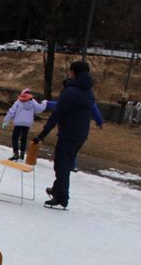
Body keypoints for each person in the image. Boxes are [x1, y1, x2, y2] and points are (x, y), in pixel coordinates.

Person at [32, 61, 97, 209]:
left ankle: (61, 197)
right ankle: (58, 189)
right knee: (66, 163)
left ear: (74, 73)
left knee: (62, 164)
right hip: (81, 134)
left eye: (70, 71)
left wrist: (42, 134)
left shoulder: (70, 92)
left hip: (69, 133)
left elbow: (57, 115)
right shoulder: (89, 93)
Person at [2, 88, 47, 161]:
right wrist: (44, 102)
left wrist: (6, 121)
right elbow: (39, 109)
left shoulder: (18, 101)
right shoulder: (33, 102)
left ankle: (16, 153)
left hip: (18, 122)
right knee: (24, 137)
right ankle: (22, 153)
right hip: (27, 123)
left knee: (15, 137)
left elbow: (11, 111)